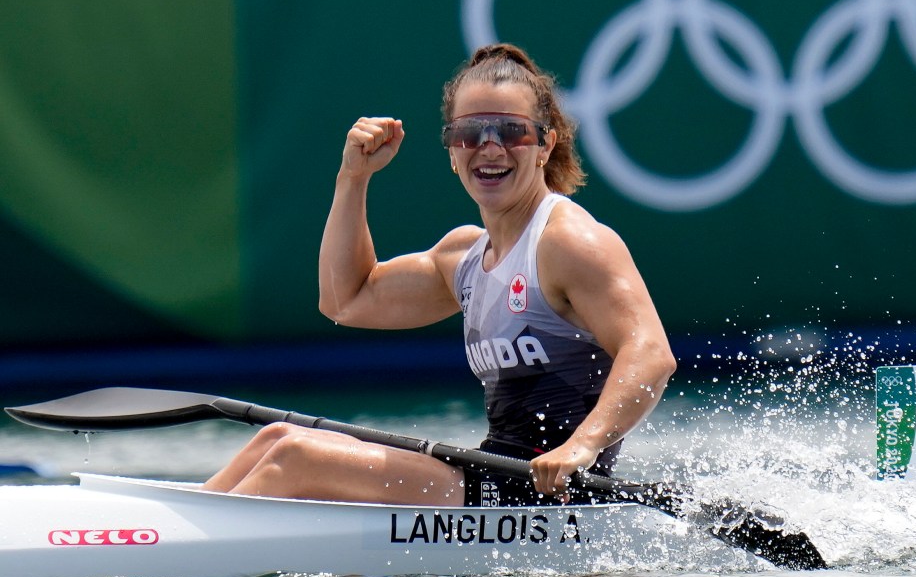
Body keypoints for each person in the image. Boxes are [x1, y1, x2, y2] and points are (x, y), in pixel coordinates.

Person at [203, 43, 677, 506]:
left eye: (511, 131)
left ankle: (188, 555)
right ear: (452, 152)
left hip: (553, 493)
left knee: (296, 456)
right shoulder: (464, 257)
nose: (489, 147)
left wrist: (582, 445)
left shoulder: (567, 241)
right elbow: (345, 300)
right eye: (471, 133)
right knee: (278, 437)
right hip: (495, 476)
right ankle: (177, 525)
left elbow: (651, 353)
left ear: (544, 145)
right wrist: (353, 178)